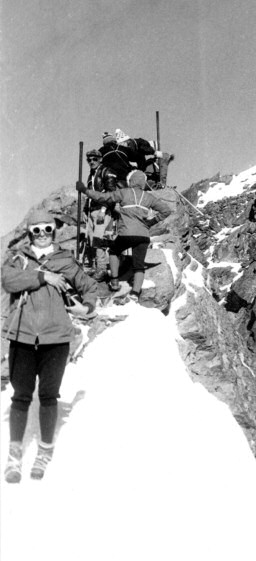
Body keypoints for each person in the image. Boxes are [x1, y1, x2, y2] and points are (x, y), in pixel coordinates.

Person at [2, 210, 97, 483]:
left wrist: (86, 306)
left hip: (55, 340)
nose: (42, 234)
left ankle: (44, 451)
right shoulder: (18, 258)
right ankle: (14, 455)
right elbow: (8, 281)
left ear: (54, 231)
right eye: (36, 230)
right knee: (20, 396)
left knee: (48, 396)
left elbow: (89, 285)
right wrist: (43, 278)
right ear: (29, 232)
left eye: (47, 229)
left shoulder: (65, 260)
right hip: (22, 336)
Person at [77, 170, 172, 302]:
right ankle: (135, 293)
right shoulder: (149, 197)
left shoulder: (124, 192)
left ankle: (114, 283)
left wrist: (84, 190)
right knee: (139, 265)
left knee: (114, 251)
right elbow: (166, 210)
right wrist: (151, 222)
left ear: (131, 181)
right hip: (143, 236)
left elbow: (102, 197)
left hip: (126, 234)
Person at [84, 149, 117, 281]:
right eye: (89, 160)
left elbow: (111, 193)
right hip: (92, 210)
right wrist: (86, 209)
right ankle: (95, 266)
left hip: (102, 211)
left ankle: (102, 269)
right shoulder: (91, 175)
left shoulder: (106, 171)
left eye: (94, 159)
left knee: (98, 239)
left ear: (100, 159)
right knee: (91, 239)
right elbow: (89, 194)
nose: (91, 162)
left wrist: (103, 210)